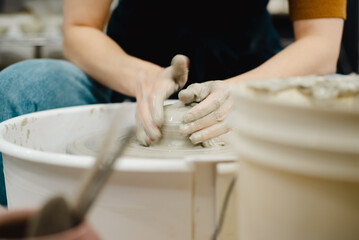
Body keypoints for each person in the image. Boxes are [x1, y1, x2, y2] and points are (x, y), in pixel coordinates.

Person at [0, 0, 346, 205]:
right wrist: (143, 79)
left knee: (340, 106)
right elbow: (78, 28)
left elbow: (321, 46)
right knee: (23, 85)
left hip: (253, 76)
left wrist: (243, 93)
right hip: (129, 79)